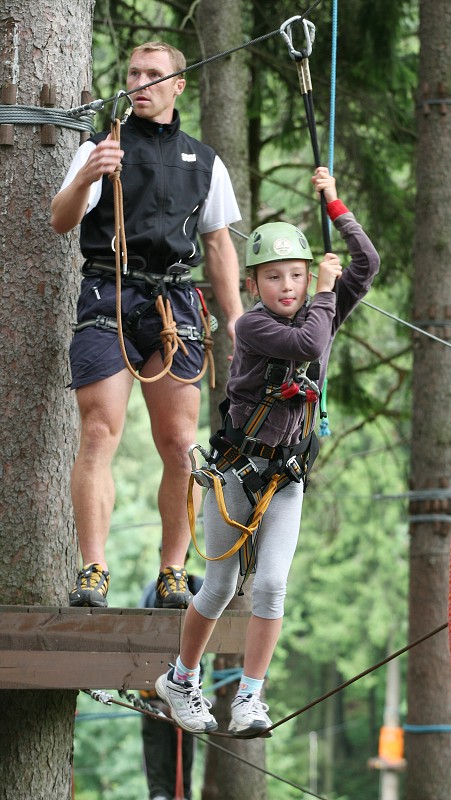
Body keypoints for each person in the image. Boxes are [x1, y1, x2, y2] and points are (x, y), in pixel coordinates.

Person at [154, 167, 380, 735]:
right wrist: (326, 294)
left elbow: (367, 265)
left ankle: (249, 699)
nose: (288, 286)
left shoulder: (320, 311)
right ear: (254, 285)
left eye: (298, 276)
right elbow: (307, 342)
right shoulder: (253, 326)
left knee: (273, 585)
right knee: (223, 586)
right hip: (236, 473)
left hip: (285, 476)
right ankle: (181, 679)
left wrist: (334, 205)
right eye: (274, 277)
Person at [50, 41, 243, 609]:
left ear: (179, 84)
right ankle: (93, 569)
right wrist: (87, 175)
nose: (141, 82)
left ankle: (172, 573)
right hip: (108, 293)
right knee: (99, 431)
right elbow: (61, 220)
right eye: (134, 73)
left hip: (175, 304)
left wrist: (235, 318)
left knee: (181, 446)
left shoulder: (204, 161)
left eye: (154, 75)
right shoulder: (99, 147)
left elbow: (219, 246)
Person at [139, 553, 203, 800]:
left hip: (186, 681)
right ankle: (159, 793)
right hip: (155, 684)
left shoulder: (198, 586)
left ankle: (181, 793)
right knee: (157, 740)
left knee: (185, 738)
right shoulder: (151, 592)